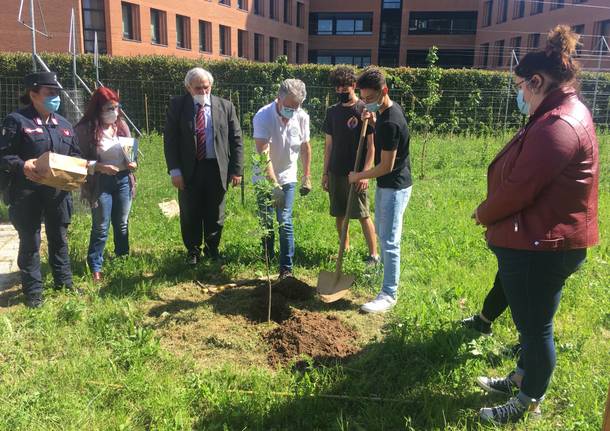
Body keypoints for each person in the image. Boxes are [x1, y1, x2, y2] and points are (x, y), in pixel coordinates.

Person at [472, 26, 599, 424]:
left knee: (535, 328)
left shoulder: (558, 125)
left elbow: (520, 189)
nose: (520, 94)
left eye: (522, 87)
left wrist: (484, 213)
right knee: (532, 321)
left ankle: (527, 400)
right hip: (540, 240)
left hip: (542, 246)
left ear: (538, 81)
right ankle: (522, 376)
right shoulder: (558, 114)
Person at [0, 72, 82, 308]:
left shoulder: (64, 125)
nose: (55, 97)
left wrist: (79, 170)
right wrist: (21, 164)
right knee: (30, 241)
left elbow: (75, 155)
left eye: (57, 93)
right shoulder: (16, 121)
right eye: (50, 93)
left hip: (57, 193)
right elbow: (4, 155)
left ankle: (63, 283)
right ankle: (33, 292)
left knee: (59, 238)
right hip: (27, 193)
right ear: (33, 94)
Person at [348, 67, 413, 314]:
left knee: (389, 240)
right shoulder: (387, 112)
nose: (366, 103)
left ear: (384, 91)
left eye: (370, 99)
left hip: (394, 187)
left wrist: (359, 175)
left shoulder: (391, 122)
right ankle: (385, 282)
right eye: (363, 98)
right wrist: (372, 118)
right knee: (386, 236)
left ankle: (389, 294)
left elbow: (385, 166)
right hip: (391, 185)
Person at [164, 67, 244, 265]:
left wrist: (237, 169)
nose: (203, 92)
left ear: (211, 86)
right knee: (190, 211)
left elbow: (237, 139)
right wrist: (175, 170)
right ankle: (192, 251)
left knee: (215, 211)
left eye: (206, 87)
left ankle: (212, 249)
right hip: (189, 168)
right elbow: (170, 140)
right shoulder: (178, 106)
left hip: (216, 168)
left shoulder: (225, 106)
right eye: (198, 88)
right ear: (188, 88)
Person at [74, 87, 136, 283]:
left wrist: (133, 163)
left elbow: (131, 154)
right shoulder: (84, 130)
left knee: (122, 223)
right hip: (100, 183)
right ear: (98, 109)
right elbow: (77, 161)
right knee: (101, 226)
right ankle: (95, 266)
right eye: (109, 108)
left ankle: (122, 258)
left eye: (116, 108)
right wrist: (100, 167)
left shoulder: (122, 126)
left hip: (124, 180)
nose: (114, 112)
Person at [253, 79, 311, 280]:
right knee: (267, 221)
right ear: (278, 98)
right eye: (288, 107)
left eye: (296, 107)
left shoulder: (301, 117)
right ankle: (267, 261)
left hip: (288, 175)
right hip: (263, 177)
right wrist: (273, 184)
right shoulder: (263, 116)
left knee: (284, 221)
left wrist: (306, 176)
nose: (292, 111)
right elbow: (263, 154)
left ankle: (286, 269)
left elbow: (305, 147)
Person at [322, 66, 379, 265]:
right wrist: (325, 173)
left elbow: (372, 147)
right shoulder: (332, 112)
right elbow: (328, 146)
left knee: (363, 214)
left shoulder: (365, 109)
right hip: (336, 171)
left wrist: (365, 174)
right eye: (337, 88)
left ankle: (373, 255)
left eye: (344, 87)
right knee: (339, 212)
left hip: (356, 173)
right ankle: (344, 248)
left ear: (354, 86)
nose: (340, 91)